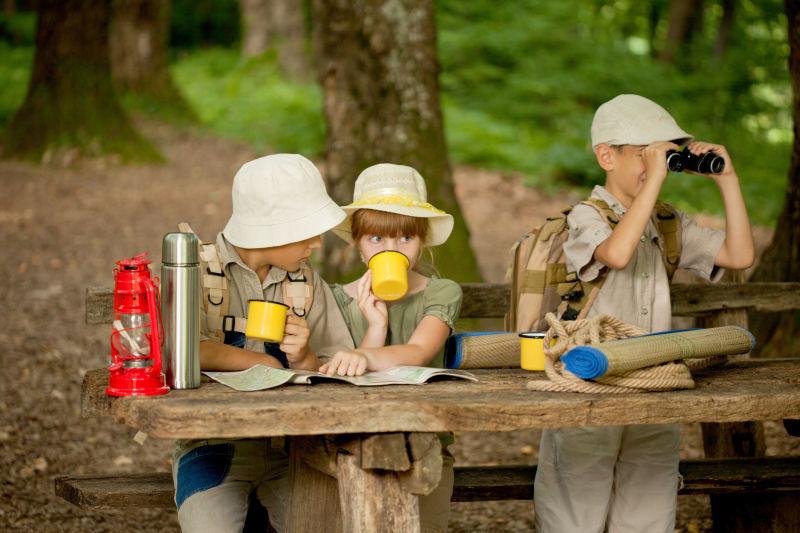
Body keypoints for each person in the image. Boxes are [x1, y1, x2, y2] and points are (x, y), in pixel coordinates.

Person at [533, 94, 755, 533]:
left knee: (648, 513)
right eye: (643, 155)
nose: (655, 166)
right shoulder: (584, 217)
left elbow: (740, 254)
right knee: (576, 513)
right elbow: (615, 253)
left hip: (654, 385)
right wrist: (655, 177)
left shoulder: (667, 223)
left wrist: (727, 180)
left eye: (664, 157)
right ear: (605, 156)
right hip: (590, 385)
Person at [171, 154, 355, 533]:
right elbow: (178, 351)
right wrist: (262, 362)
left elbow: (334, 368)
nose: (317, 244)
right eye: (308, 232)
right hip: (212, 446)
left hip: (293, 447)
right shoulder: (194, 270)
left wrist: (303, 356)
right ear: (274, 230)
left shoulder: (306, 284)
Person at [321, 163, 463, 533]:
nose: (392, 248)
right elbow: (353, 382)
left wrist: (364, 356)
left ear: (422, 241)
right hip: (348, 447)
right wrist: (376, 325)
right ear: (356, 241)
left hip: (425, 445)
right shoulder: (337, 299)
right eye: (377, 239)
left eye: (405, 239)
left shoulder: (441, 292)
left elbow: (418, 350)